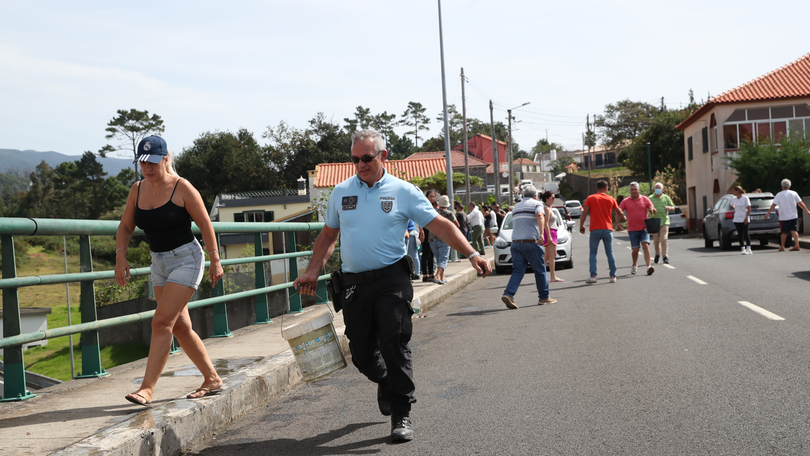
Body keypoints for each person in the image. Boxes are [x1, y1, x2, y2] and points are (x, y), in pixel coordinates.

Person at [293, 130, 491, 443]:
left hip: (392, 279)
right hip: (355, 285)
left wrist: (472, 253)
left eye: (366, 158)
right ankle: (385, 382)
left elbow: (439, 224)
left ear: (383, 156)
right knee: (361, 354)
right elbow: (328, 236)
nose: (360, 164)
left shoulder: (403, 191)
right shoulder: (341, 192)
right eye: (355, 159)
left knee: (395, 340)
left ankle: (401, 414)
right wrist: (312, 271)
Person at [115, 136, 224, 407]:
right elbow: (126, 226)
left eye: (153, 162)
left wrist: (215, 259)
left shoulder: (181, 187)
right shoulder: (137, 190)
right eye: (143, 163)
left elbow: (205, 224)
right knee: (181, 326)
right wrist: (121, 256)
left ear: (166, 159)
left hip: (187, 259)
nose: (148, 168)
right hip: (159, 263)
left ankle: (147, 389)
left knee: (161, 322)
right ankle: (212, 379)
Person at [501, 186, 557, 309]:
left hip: (515, 243)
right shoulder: (536, 204)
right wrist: (542, 234)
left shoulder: (516, 207)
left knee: (518, 271)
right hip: (530, 242)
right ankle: (544, 297)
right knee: (540, 270)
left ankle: (508, 294)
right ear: (535, 196)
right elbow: (540, 216)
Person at [579, 180, 626, 284]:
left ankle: (593, 276)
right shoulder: (611, 198)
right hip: (608, 229)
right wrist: (623, 218)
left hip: (595, 229)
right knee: (610, 252)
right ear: (606, 188)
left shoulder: (591, 198)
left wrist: (581, 225)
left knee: (593, 253)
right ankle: (613, 276)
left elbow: (584, 213)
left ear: (596, 188)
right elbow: (618, 211)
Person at [619, 182, 656, 276]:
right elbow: (619, 211)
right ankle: (634, 264)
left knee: (645, 245)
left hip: (644, 228)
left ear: (639, 190)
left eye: (635, 189)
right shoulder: (626, 201)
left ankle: (649, 267)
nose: (634, 191)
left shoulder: (645, 199)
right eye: (632, 189)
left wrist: (652, 210)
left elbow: (651, 207)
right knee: (635, 249)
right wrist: (618, 222)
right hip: (632, 229)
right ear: (630, 191)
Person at [766, 179, 810, 251]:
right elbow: (800, 203)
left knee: (784, 232)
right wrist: (807, 211)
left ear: (781, 186)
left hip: (783, 216)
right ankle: (797, 244)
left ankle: (782, 246)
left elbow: (774, 205)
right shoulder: (794, 193)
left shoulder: (779, 194)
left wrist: (768, 213)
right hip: (793, 215)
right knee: (794, 230)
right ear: (789, 186)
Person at [429, 195, 459, 284]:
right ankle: (437, 276)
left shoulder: (433, 212)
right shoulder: (449, 213)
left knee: (439, 259)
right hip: (444, 239)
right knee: (443, 258)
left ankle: (442, 277)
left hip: (432, 239)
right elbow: (457, 225)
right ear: (447, 204)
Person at [648, 182, 675, 264]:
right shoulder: (650, 198)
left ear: (662, 189)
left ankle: (665, 257)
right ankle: (657, 254)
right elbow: (646, 207)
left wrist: (669, 207)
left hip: (664, 221)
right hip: (654, 222)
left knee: (664, 239)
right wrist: (650, 210)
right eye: (656, 188)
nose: (657, 189)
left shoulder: (666, 198)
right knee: (656, 241)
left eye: (659, 188)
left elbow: (673, 207)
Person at [540, 191, 564, 283]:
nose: (554, 199)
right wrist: (549, 236)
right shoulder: (546, 208)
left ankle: (542, 275)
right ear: (547, 198)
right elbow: (545, 223)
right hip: (550, 231)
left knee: (547, 256)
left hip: (553, 231)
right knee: (552, 255)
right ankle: (553, 276)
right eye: (552, 198)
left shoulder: (549, 208)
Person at [730, 185, 752, 255]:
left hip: (744, 218)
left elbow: (749, 208)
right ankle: (742, 248)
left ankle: (748, 248)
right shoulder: (734, 199)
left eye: (734, 190)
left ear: (738, 191)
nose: (733, 192)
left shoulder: (745, 198)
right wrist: (735, 207)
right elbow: (731, 204)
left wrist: (746, 217)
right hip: (737, 218)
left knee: (745, 233)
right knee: (740, 234)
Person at [420, 190, 437, 281]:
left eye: (433, 196)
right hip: (426, 231)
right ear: (426, 197)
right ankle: (425, 275)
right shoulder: (423, 206)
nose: (432, 198)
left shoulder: (434, 207)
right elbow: (419, 219)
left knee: (431, 254)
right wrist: (421, 231)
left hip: (432, 232)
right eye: (430, 196)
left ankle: (431, 273)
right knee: (426, 254)